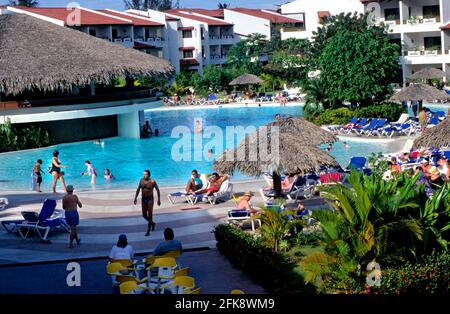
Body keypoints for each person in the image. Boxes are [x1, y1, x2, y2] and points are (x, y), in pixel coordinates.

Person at [134, 170, 161, 236]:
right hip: (143, 199)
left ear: (149, 175)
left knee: (150, 215)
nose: (144, 175)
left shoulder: (152, 181)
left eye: (146, 174)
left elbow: (158, 190)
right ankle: (152, 223)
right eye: (144, 174)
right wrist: (135, 198)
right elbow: (138, 189)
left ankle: (148, 231)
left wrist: (159, 200)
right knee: (144, 215)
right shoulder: (141, 180)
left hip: (150, 199)